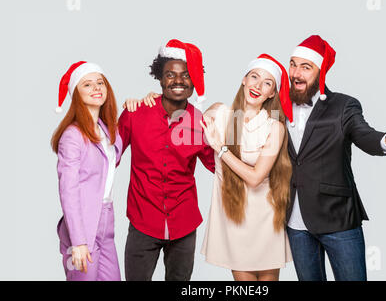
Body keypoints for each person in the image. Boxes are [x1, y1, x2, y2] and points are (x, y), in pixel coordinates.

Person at [133, 54, 294, 281]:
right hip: (234, 214)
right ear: (244, 80)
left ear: (272, 93)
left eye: (267, 83)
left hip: (266, 217)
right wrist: (153, 98)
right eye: (254, 77)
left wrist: (220, 148)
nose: (258, 85)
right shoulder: (219, 114)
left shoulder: (274, 127)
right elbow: (179, 116)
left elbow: (256, 177)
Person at [283, 35, 386, 281]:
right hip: (295, 221)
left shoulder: (344, 105)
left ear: (321, 71)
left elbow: (363, 134)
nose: (296, 73)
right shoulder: (280, 105)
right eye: (293, 64)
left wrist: (385, 140)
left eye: (306, 67)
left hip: (338, 219)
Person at [118, 39, 215, 281]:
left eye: (185, 75)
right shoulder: (135, 113)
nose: (178, 81)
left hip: (184, 222)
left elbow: (219, 167)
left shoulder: (200, 122)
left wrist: (221, 135)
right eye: (170, 75)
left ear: (194, 81)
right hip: (143, 222)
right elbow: (107, 157)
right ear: (160, 79)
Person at [52, 61, 122, 281]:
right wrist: (78, 241)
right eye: (88, 85)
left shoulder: (107, 129)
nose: (96, 88)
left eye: (100, 83)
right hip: (81, 225)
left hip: (106, 219)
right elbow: (68, 191)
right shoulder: (72, 135)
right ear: (76, 93)